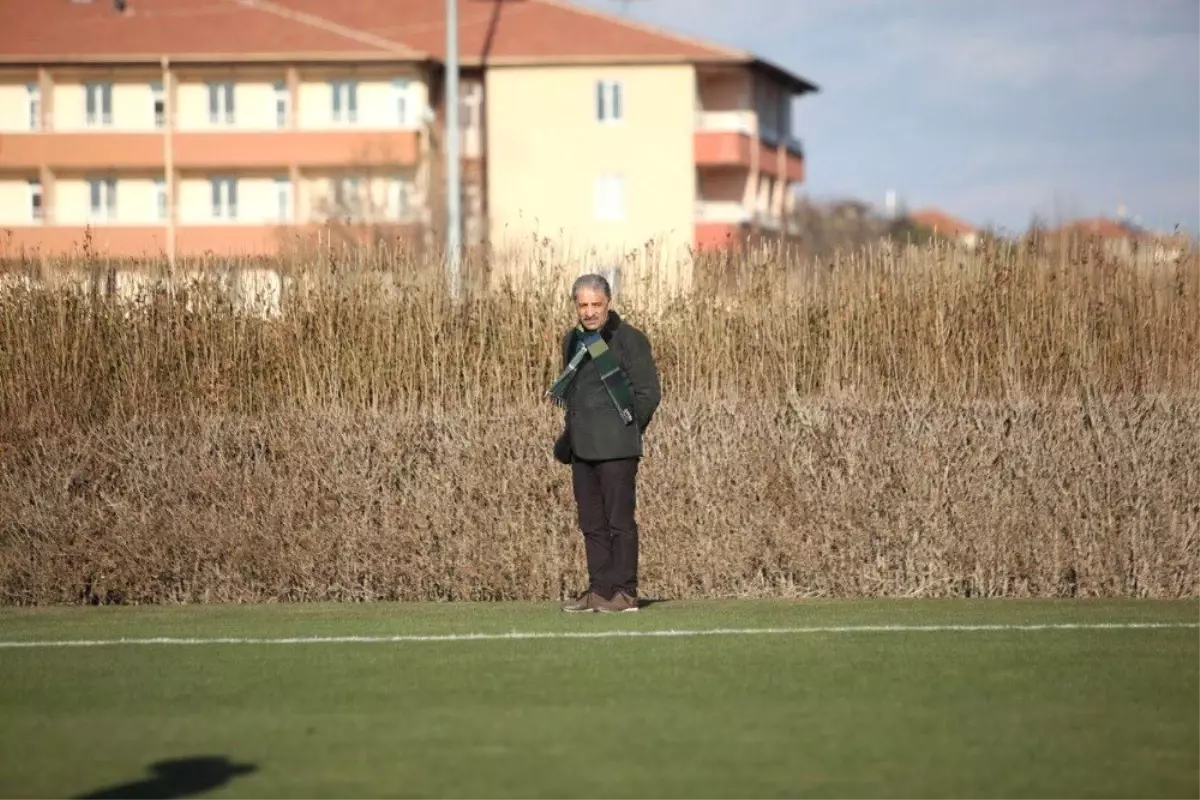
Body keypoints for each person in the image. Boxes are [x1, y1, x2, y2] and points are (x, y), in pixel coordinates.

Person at [547, 273, 661, 613]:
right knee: (591, 524)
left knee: (620, 523)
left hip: (617, 449)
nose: (589, 311)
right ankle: (600, 591)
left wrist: (626, 428)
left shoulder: (630, 339)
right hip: (582, 447)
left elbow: (648, 393)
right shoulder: (572, 340)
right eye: (583, 305)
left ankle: (625, 593)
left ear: (608, 303)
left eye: (596, 304)